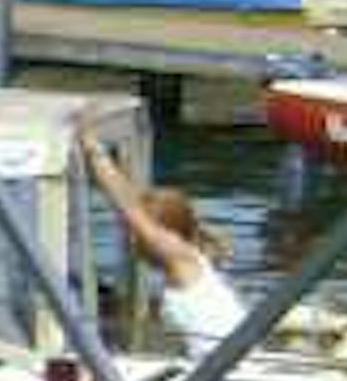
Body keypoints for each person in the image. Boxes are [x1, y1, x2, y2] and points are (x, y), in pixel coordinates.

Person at [83, 128, 249, 352]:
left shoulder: (180, 258)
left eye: (137, 234)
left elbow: (128, 208)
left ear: (164, 232)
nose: (131, 240)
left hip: (227, 367)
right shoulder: (190, 257)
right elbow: (134, 201)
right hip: (220, 358)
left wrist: (95, 152)